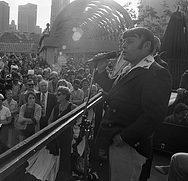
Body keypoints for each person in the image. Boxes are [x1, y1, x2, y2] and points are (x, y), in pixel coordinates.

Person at [93, 27, 172, 180]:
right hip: (116, 139)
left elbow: (154, 115)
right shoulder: (131, 67)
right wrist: (101, 72)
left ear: (146, 46)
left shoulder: (156, 72)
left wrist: (124, 137)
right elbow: (116, 90)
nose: (123, 46)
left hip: (129, 145)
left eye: (130, 42)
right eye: (123, 42)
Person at [22, 86, 76, 181]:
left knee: (65, 158)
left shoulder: (72, 107)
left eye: (59, 94)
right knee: (54, 158)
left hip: (66, 137)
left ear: (64, 95)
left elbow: (79, 119)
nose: (56, 96)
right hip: (55, 136)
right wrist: (54, 129)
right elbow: (50, 121)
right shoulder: (56, 108)